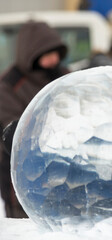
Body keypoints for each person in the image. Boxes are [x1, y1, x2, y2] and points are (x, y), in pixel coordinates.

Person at [0, 21, 68, 218]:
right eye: (46, 55)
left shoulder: (63, 76)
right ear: (31, 56)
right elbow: (13, 129)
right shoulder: (9, 87)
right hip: (24, 172)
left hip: (64, 169)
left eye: (56, 53)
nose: (54, 60)